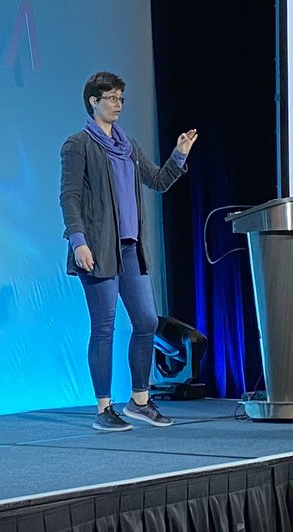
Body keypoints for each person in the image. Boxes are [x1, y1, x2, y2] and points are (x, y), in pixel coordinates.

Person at [59, 71, 197, 432]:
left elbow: (158, 181)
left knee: (147, 321)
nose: (118, 104)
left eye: (121, 98)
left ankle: (139, 401)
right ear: (93, 102)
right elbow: (69, 197)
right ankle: (104, 408)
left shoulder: (128, 146)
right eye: (112, 98)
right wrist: (78, 241)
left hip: (131, 248)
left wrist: (179, 155)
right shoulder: (78, 144)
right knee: (104, 327)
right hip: (97, 248)